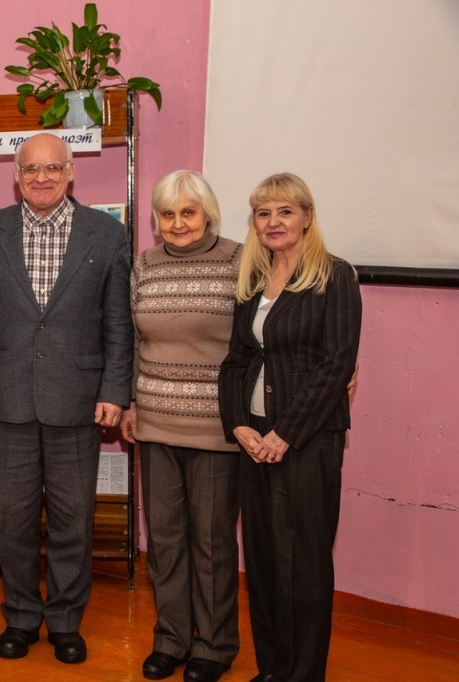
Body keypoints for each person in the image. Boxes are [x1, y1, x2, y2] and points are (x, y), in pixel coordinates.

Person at [0, 133, 133, 665]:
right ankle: (21, 616)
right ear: (16, 175)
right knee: (12, 519)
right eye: (30, 169)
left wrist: (115, 389)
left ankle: (66, 620)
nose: (41, 177)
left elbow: (119, 322)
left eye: (52, 168)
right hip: (10, 398)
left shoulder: (106, 233)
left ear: (70, 172)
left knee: (73, 518)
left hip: (79, 398)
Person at [218, 173, 362, 682]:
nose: (273, 222)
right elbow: (236, 360)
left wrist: (286, 433)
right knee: (261, 560)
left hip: (307, 440)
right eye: (264, 213)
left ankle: (302, 674)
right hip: (254, 437)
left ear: (306, 217)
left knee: (303, 565)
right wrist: (238, 425)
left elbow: (336, 365)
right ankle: (272, 669)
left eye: (285, 211)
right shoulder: (254, 279)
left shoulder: (335, 277)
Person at [118, 171, 241, 682]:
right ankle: (171, 638)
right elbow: (133, 340)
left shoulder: (239, 261)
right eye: (167, 214)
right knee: (165, 539)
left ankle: (214, 644)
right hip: (155, 422)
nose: (178, 223)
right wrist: (130, 402)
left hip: (217, 427)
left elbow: (259, 338)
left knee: (211, 543)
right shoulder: (144, 265)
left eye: (187, 212)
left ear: (207, 213)